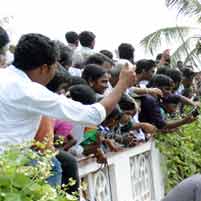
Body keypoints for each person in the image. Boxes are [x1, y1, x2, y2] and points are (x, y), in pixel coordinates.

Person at [0, 33, 136, 152]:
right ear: (44, 68)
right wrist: (122, 84)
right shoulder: (31, 92)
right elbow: (94, 115)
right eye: (55, 67)